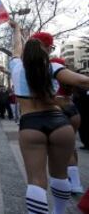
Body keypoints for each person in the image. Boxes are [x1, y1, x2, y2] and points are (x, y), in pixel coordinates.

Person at [9, 21, 89, 214]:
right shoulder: (53, 67)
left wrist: (17, 30)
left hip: (31, 126)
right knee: (60, 176)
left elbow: (16, 49)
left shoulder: (16, 66)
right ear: (46, 49)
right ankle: (59, 212)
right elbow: (83, 81)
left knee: (36, 180)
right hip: (60, 124)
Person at [50, 57, 84, 194]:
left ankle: (73, 183)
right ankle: (74, 180)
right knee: (71, 148)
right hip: (73, 110)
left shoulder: (51, 76)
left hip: (59, 110)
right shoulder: (69, 76)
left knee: (63, 150)